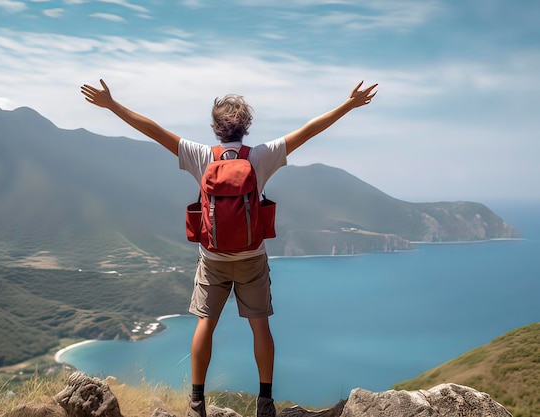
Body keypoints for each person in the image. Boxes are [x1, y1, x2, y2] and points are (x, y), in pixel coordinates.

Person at [80, 79, 377, 417]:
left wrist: (112, 105)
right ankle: (264, 402)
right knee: (259, 325)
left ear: (215, 127)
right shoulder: (262, 156)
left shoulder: (201, 156)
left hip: (213, 259)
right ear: (245, 126)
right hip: (252, 257)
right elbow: (309, 130)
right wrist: (348, 105)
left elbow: (153, 129)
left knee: (205, 323)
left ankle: (196, 402)